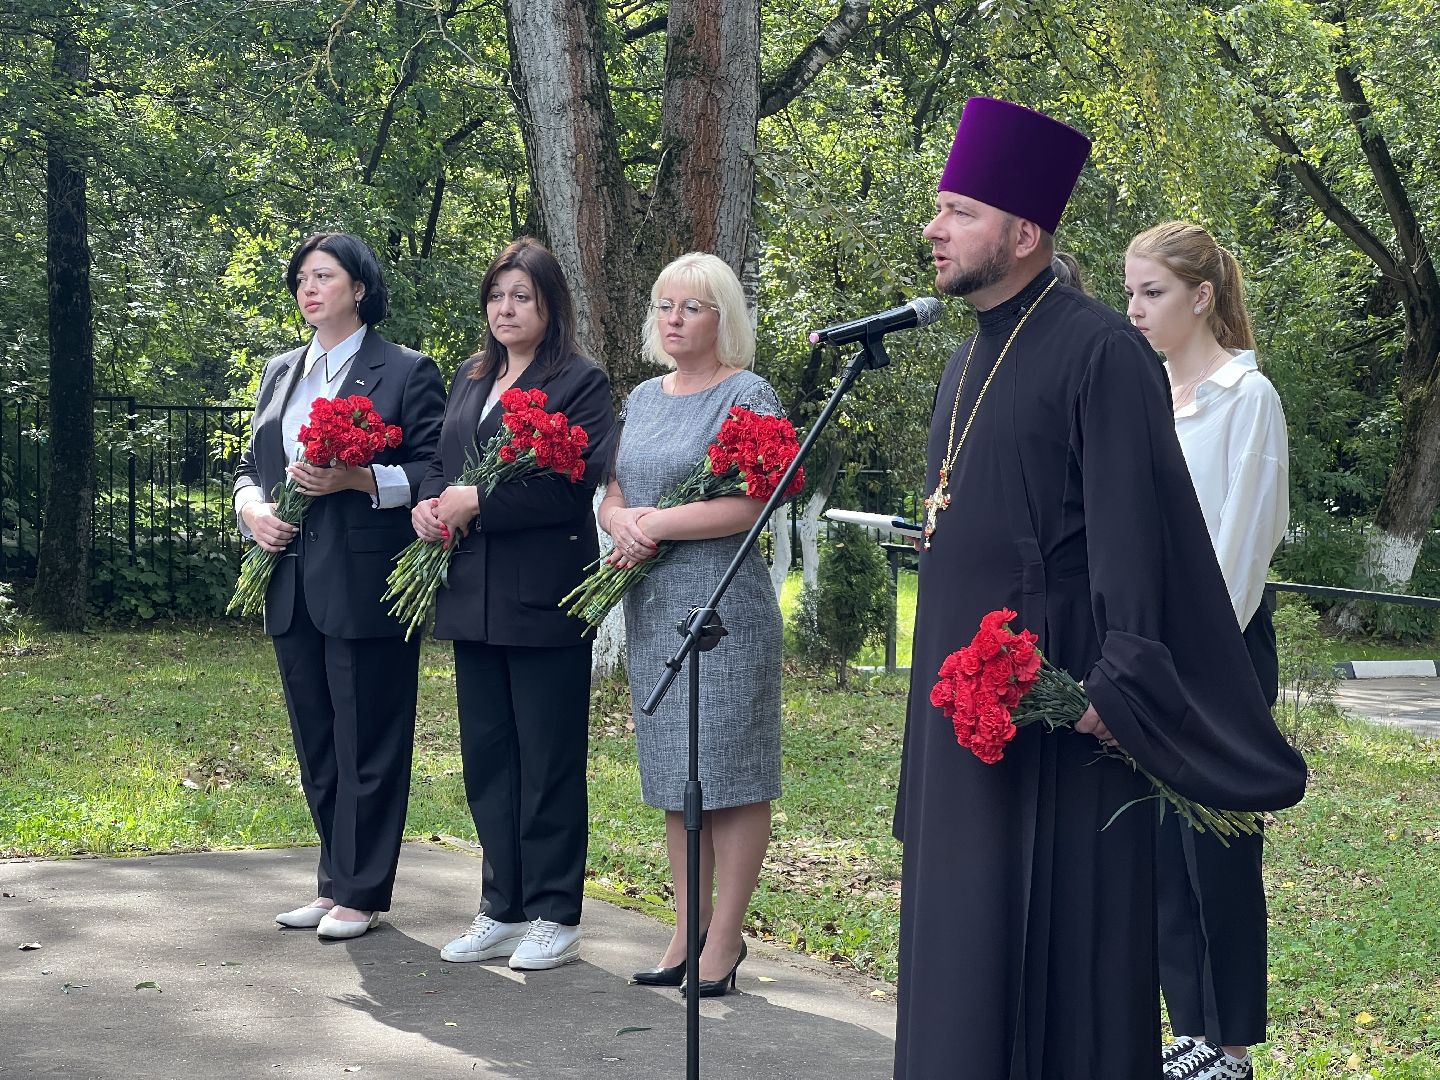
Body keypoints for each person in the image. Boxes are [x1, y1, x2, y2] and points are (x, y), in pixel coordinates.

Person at [893, 97, 1306, 1078]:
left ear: (1022, 232)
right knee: (961, 969)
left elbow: (1141, 546)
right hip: (961, 730)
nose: (933, 227)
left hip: (1055, 726)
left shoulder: (1100, 352)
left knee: (1055, 991)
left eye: (957, 209)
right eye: (938, 209)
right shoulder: (963, 360)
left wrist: (1114, 694)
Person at [235, 231, 445, 940]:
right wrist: (253, 511)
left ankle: (363, 892)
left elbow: (430, 470)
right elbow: (248, 464)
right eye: (301, 278)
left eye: (323, 276)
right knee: (317, 741)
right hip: (288, 578)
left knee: (370, 738)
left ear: (359, 287)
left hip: (365, 579)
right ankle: (332, 882)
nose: (308, 288)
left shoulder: (406, 371)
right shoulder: (280, 371)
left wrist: (357, 478)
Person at [414, 238, 616, 971]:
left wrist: (478, 501)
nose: (506, 308)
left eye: (521, 296)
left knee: (548, 759)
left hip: (545, 598)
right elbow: (441, 460)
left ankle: (556, 913)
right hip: (473, 594)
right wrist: (431, 505)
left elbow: (571, 484)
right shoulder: (474, 377)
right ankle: (501, 906)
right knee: (489, 759)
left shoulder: (580, 382)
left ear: (550, 304)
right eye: (497, 296)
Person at [1126, 221, 1290, 1080]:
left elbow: (1242, 546)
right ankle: (1189, 1026)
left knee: (1220, 851)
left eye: (1152, 292)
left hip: (1218, 649)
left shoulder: (1245, 397)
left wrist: (1185, 654)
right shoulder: (1148, 394)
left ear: (1201, 295)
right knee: (1163, 851)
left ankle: (1229, 1048)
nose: (1136, 309)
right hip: (1149, 648)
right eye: (1129, 292)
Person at [599, 252, 783, 997]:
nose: (674, 320)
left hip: (724, 606)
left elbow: (754, 502)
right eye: (664, 305)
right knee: (677, 777)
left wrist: (655, 523)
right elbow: (613, 483)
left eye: (693, 308)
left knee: (732, 777)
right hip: (652, 603)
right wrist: (620, 520)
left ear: (723, 319)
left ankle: (725, 940)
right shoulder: (643, 397)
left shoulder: (749, 394)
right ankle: (685, 930)